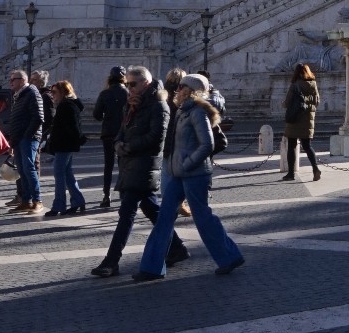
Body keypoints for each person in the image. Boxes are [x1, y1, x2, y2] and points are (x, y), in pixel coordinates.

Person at [136, 74, 243, 280]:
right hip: (178, 173)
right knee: (164, 218)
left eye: (180, 88)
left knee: (203, 218)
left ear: (189, 90)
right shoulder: (182, 111)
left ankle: (229, 256)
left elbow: (208, 144)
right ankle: (151, 267)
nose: (176, 91)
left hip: (194, 174)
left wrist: (187, 163)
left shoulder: (197, 112)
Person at [93, 66, 189, 277]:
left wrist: (129, 146)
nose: (129, 88)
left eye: (133, 84)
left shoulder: (159, 105)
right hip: (130, 164)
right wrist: (118, 143)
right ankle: (177, 248)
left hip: (145, 165)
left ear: (145, 83)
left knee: (126, 213)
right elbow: (121, 132)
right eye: (127, 84)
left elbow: (156, 138)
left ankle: (111, 261)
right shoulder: (132, 105)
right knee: (152, 210)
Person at [0, 69, 44, 213]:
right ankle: (26, 200)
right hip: (19, 138)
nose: (10, 82)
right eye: (10, 79)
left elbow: (38, 117)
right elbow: (16, 119)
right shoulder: (19, 95)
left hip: (28, 138)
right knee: (22, 171)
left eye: (14, 79)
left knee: (29, 169)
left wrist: (28, 135)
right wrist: (13, 141)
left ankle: (37, 200)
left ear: (23, 80)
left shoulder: (32, 93)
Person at [42, 80, 88, 217]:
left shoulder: (65, 106)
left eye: (55, 92)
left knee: (59, 175)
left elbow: (71, 127)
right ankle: (78, 201)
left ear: (63, 92)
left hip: (63, 144)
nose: (52, 95)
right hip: (65, 144)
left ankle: (59, 205)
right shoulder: (70, 105)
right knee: (67, 174)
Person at [92, 67, 128, 210]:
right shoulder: (127, 93)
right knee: (123, 165)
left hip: (108, 133)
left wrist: (106, 116)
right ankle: (123, 194)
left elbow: (96, 114)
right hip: (124, 133)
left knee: (108, 166)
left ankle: (106, 196)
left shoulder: (105, 93)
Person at [281, 64, 322, 181]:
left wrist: (282, 104)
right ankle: (315, 169)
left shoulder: (295, 85)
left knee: (292, 146)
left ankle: (290, 173)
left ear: (297, 73)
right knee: (307, 146)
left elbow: (287, 102)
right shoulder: (313, 85)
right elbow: (317, 102)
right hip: (308, 120)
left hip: (294, 119)